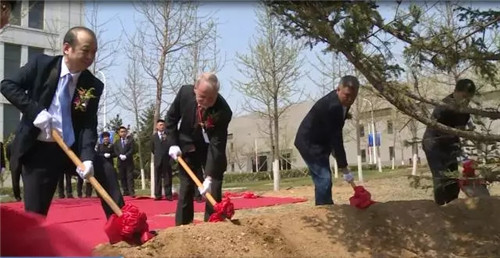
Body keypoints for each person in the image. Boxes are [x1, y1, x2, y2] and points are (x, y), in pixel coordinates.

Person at [0, 26, 124, 217]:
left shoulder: (92, 84)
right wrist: (36, 112)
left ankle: (123, 229)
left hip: (70, 147)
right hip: (38, 152)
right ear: (67, 48)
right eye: (85, 50)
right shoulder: (41, 65)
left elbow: (88, 124)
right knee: (35, 217)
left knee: (105, 169)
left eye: (94, 52)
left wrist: (88, 157)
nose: (90, 56)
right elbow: (7, 85)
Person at [166, 72, 232, 225]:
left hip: (210, 149)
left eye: (211, 98)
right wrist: (173, 143)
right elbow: (171, 119)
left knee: (214, 185)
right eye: (202, 96)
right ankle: (182, 227)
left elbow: (217, 145)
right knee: (186, 185)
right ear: (195, 89)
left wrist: (208, 177)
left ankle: (212, 223)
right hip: (187, 144)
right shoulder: (184, 93)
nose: (207, 102)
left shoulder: (223, 111)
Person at [295, 75, 360, 205]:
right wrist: (344, 167)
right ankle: (325, 210)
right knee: (324, 178)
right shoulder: (332, 107)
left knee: (323, 178)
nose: (349, 100)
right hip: (309, 143)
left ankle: (324, 205)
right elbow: (337, 138)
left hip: (322, 141)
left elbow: (333, 132)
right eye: (347, 95)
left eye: (353, 97)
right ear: (338, 90)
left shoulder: (343, 102)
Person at [422, 79, 476, 205]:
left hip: (451, 145)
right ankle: (441, 208)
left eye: (469, 98)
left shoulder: (465, 111)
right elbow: (437, 128)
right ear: (456, 92)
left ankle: (453, 206)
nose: (465, 100)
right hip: (434, 144)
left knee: (453, 178)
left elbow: (460, 131)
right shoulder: (444, 106)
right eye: (463, 96)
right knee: (440, 178)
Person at [151, 119, 173, 201]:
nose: (161, 126)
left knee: (167, 177)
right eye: (160, 125)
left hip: (167, 160)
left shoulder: (168, 135)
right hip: (158, 160)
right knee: (157, 178)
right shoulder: (154, 137)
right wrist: (158, 156)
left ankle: (168, 195)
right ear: (157, 126)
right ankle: (158, 195)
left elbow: (171, 146)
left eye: (163, 125)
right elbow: (152, 149)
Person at [114, 126, 135, 197]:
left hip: (128, 161)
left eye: (124, 131)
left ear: (126, 132)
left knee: (130, 177)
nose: (123, 133)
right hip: (120, 162)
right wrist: (119, 155)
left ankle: (131, 191)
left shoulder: (130, 140)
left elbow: (132, 150)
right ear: (119, 133)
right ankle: (125, 191)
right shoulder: (117, 142)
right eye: (121, 132)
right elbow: (115, 150)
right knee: (122, 177)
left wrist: (126, 155)